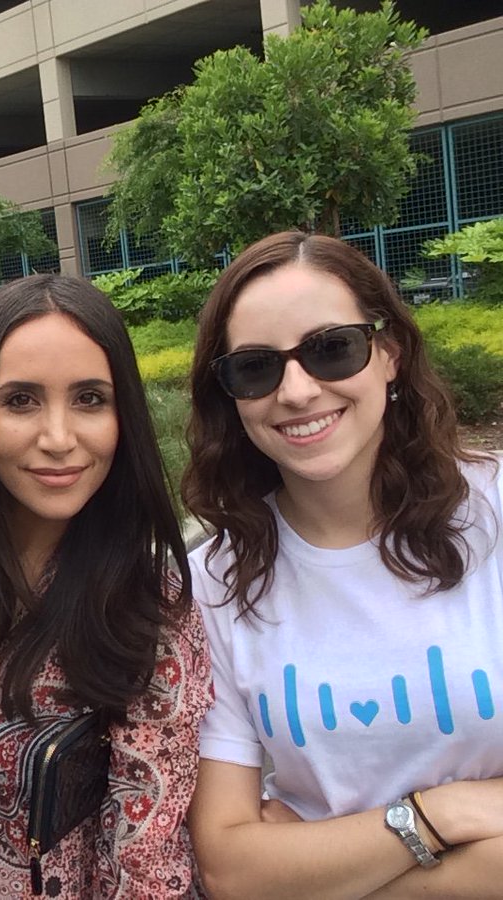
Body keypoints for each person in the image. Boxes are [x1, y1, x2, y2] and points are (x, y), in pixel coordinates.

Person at [183, 231, 503, 899]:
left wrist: (320, 867)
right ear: (230, 396)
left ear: (389, 353)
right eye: (256, 367)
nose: (297, 391)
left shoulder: (495, 514)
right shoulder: (216, 582)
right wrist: (443, 814)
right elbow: (231, 869)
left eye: (332, 349)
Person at [0, 274, 212, 898]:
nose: (59, 438)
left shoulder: (148, 610)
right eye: (20, 401)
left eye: (90, 398)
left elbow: (146, 868)